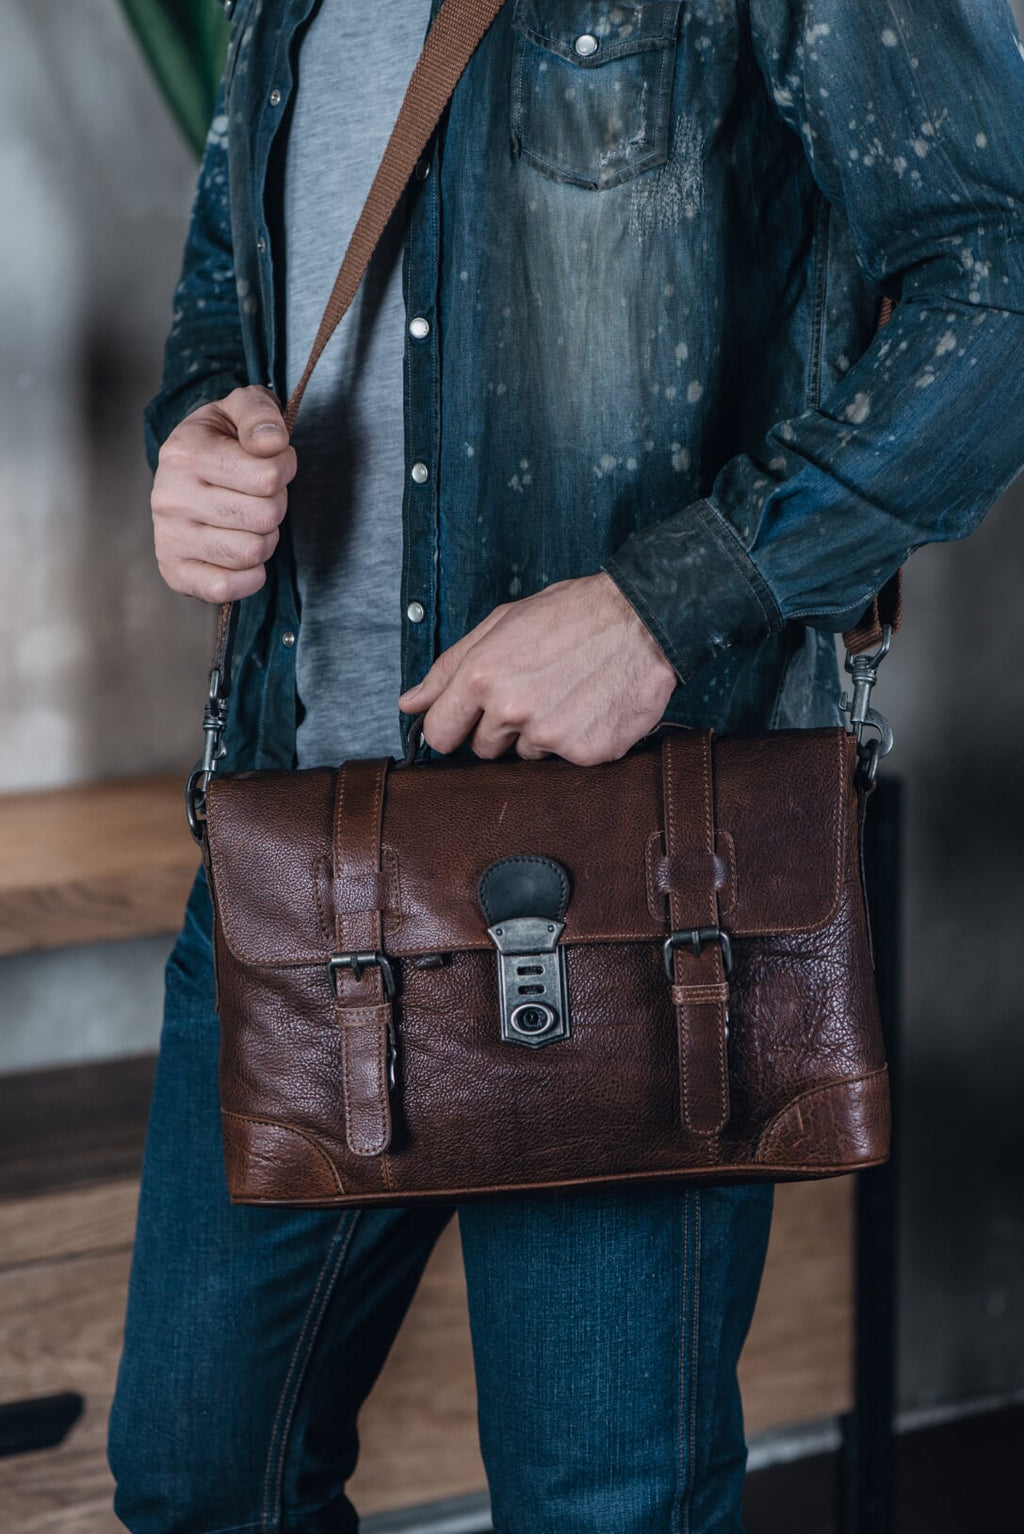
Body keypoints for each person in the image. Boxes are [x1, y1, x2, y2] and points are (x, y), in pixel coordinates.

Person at [108, 2, 1024, 1530]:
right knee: (201, 1482)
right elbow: (229, 283)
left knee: (605, 1507)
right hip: (294, 853)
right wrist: (197, 435)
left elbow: (999, 276)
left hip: (635, 891)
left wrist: (670, 607)